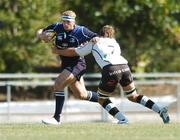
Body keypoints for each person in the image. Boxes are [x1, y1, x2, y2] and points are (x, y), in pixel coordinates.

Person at [51, 25, 170, 124]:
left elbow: (76, 52)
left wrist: (58, 51)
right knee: (133, 96)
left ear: (100, 33)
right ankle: (160, 110)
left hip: (111, 69)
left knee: (102, 99)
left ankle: (122, 119)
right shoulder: (115, 42)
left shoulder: (94, 41)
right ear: (111, 34)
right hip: (125, 68)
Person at [36, 10, 101, 125]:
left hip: (77, 64)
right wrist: (42, 35)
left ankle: (56, 118)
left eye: (68, 22)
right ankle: (106, 100)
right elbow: (40, 31)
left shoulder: (81, 31)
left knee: (58, 84)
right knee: (82, 95)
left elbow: (96, 37)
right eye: (64, 21)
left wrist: (95, 39)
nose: (65, 24)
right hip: (66, 65)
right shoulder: (57, 27)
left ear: (74, 21)